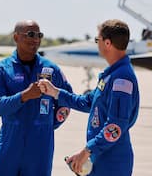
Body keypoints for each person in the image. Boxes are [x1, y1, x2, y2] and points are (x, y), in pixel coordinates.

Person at [39, 19, 139, 176]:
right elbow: (87, 102)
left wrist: (86, 151)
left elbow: (116, 126)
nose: (96, 44)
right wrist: (55, 92)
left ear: (107, 43)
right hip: (101, 157)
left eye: (97, 40)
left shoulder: (122, 78)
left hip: (112, 162)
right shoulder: (111, 75)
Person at [0, 20, 73, 176]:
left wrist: (47, 125)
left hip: (41, 146)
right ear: (16, 37)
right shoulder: (0, 70)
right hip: (10, 142)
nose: (36, 39)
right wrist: (24, 96)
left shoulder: (52, 70)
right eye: (31, 34)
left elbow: (66, 102)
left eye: (39, 35)